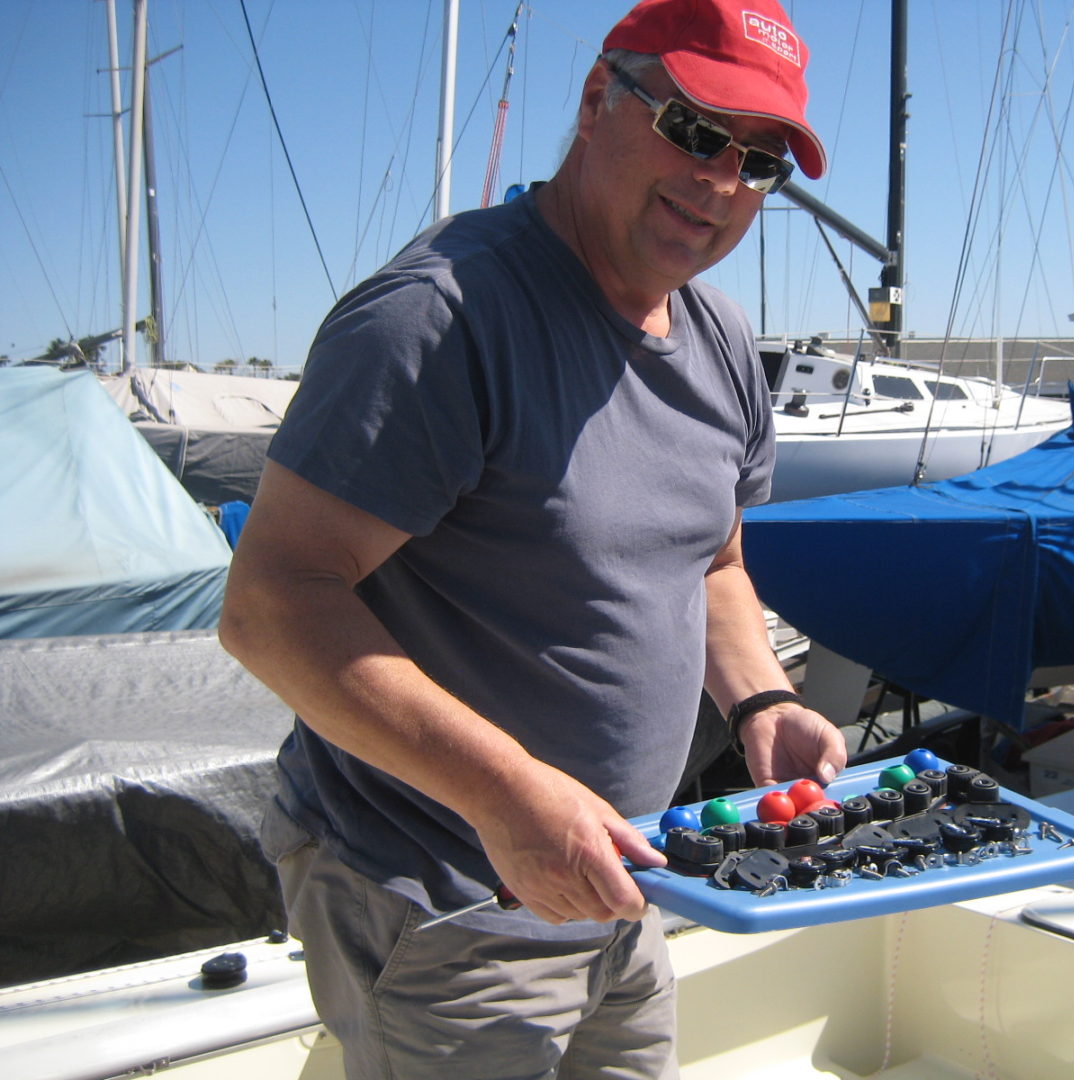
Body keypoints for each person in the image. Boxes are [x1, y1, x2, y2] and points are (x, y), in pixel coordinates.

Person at [219, 1, 848, 1076]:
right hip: (442, 894)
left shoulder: (722, 339)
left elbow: (715, 561)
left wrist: (761, 700)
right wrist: (505, 795)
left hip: (624, 880)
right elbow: (272, 607)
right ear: (601, 99)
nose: (719, 182)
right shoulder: (441, 318)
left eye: (757, 162)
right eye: (696, 131)